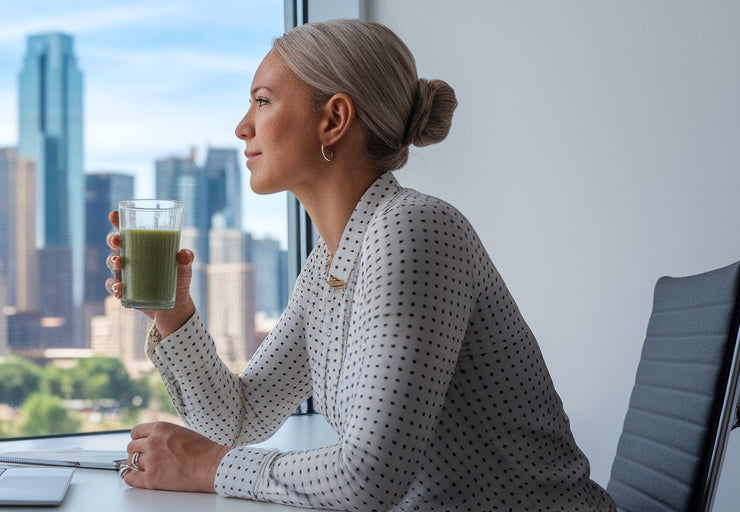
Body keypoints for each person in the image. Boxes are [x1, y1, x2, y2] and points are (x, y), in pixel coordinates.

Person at [103, 19, 615, 511]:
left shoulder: (415, 229)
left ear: (334, 119)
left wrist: (209, 467)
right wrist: (173, 315)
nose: (242, 127)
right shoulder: (328, 266)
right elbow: (240, 417)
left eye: (262, 102)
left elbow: (368, 477)